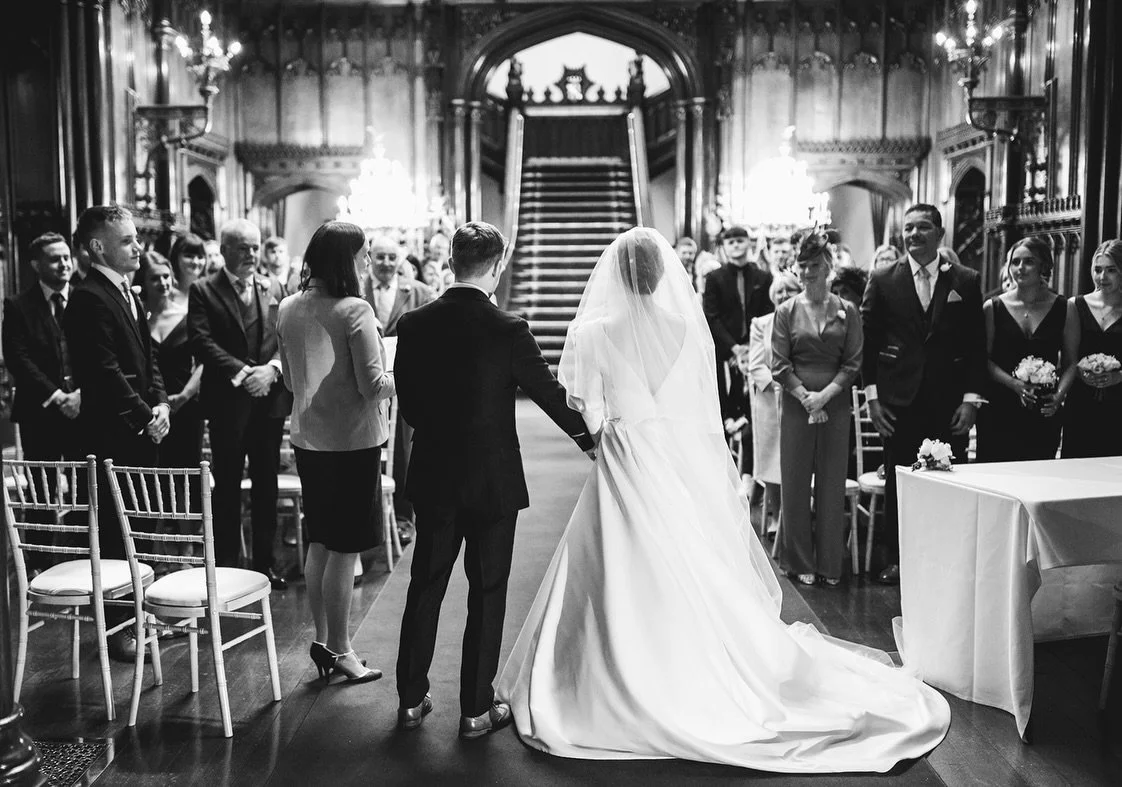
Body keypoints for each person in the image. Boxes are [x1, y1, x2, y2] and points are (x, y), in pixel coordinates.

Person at [495, 227, 949, 770]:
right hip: (666, 454)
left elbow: (585, 403)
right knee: (680, 557)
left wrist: (604, 433)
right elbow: (691, 406)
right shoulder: (683, 327)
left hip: (619, 451)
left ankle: (611, 669)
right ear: (665, 276)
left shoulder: (593, 331)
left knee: (614, 561)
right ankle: (689, 660)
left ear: (614, 276)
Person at [393, 221, 596, 739]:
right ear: (498, 265)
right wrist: (592, 440)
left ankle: (411, 702)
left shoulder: (414, 325)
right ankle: (476, 711)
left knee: (425, 587)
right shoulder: (509, 330)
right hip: (491, 481)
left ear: (453, 260)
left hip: (435, 476)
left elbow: (410, 409)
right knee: (487, 592)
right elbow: (550, 394)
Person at [277, 220, 395, 685]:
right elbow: (373, 386)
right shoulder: (356, 311)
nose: (367, 261)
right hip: (352, 443)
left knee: (320, 540)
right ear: (347, 260)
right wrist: (403, 367)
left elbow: (289, 380)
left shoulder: (288, 308)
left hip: (308, 439)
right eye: (364, 254)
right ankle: (343, 649)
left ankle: (324, 640)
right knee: (345, 548)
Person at [64, 205, 170, 661]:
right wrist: (145, 415)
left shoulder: (131, 293)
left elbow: (149, 361)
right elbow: (104, 372)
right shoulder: (88, 297)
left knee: (140, 528)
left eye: (135, 239)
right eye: (127, 240)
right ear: (96, 247)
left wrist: (162, 403)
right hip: (112, 436)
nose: (137, 247)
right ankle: (118, 630)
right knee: (115, 532)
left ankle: (141, 615)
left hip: (140, 430)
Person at [860, 204, 986, 585]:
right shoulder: (883, 279)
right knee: (901, 482)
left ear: (940, 233)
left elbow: (976, 343)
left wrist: (971, 399)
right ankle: (898, 559)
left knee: (948, 481)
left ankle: (946, 559)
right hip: (898, 401)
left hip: (948, 402)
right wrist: (872, 398)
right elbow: (868, 345)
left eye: (923, 227)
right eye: (908, 228)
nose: (914, 234)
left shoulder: (964, 279)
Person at [188, 218, 292, 590]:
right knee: (227, 486)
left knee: (267, 485)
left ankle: (266, 564)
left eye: (255, 247)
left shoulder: (273, 285)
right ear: (225, 248)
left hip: (268, 401)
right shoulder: (203, 290)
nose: (251, 254)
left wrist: (273, 369)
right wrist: (244, 373)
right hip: (227, 403)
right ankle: (229, 566)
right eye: (243, 248)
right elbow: (200, 340)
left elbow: (285, 336)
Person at [771, 232, 863, 586]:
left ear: (829, 265)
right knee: (794, 482)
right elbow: (779, 364)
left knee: (831, 482)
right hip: (797, 406)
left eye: (815, 265)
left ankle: (830, 563)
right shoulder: (786, 311)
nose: (808, 271)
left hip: (836, 404)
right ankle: (799, 560)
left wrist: (825, 397)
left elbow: (853, 362)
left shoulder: (848, 310)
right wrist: (806, 398)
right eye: (803, 265)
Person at [2, 232, 82, 574]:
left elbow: (96, 354)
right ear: (36, 264)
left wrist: (82, 394)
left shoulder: (85, 299)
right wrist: (56, 395)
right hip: (41, 411)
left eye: (66, 257)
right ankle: (40, 563)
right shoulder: (19, 306)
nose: (64, 264)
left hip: (84, 409)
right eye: (55, 258)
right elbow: (18, 359)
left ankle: (83, 558)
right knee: (42, 490)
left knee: (83, 487)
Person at [361, 232, 434, 545]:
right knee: (366, 451)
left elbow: (435, 332)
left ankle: (404, 517)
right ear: (370, 259)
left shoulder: (419, 292)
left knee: (403, 452)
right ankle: (367, 518)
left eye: (392, 257)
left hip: (404, 384)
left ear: (400, 260)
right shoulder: (355, 290)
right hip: (363, 384)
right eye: (380, 257)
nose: (387, 263)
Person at [975, 238, 1066, 462]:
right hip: (999, 409)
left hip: (1042, 409)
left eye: (1029, 262)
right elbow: (982, 359)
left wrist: (1059, 395)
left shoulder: (1064, 307)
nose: (1020, 268)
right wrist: (1014, 384)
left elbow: (1072, 360)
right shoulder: (992, 307)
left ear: (1044, 266)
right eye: (1015, 262)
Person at [703, 225, 774, 486]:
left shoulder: (764, 277)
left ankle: (752, 474)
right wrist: (734, 348)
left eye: (739, 240)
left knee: (754, 411)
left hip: (756, 354)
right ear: (724, 246)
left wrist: (752, 348)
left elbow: (767, 313)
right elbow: (711, 317)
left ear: (748, 242)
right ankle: (722, 475)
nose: (735, 245)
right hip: (725, 355)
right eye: (730, 241)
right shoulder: (715, 278)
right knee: (723, 409)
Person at [138, 251, 205, 517]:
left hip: (187, 404)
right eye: (155, 278)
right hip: (152, 406)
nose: (163, 283)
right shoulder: (138, 319)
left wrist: (185, 395)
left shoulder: (188, 316)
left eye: (167, 276)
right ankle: (160, 543)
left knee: (188, 473)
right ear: (144, 281)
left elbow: (204, 361)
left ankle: (189, 545)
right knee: (156, 474)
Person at [746, 272, 800, 537]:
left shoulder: (805, 321)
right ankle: (776, 515)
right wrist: (779, 386)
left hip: (801, 398)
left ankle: (801, 515)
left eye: (789, 290)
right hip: (771, 400)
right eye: (779, 291)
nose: (783, 296)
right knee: (773, 459)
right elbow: (756, 364)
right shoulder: (761, 324)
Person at [1059, 239, 1122, 457]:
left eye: (1111, 270)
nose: (1102, 277)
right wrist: (1081, 372)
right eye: (1098, 270)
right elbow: (1069, 359)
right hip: (1081, 401)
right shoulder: (1075, 305)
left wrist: (1118, 377)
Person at [168, 233, 208, 306]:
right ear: (176, 257)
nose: (195, 262)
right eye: (189, 256)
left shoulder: (210, 295)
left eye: (200, 257)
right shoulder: (165, 294)